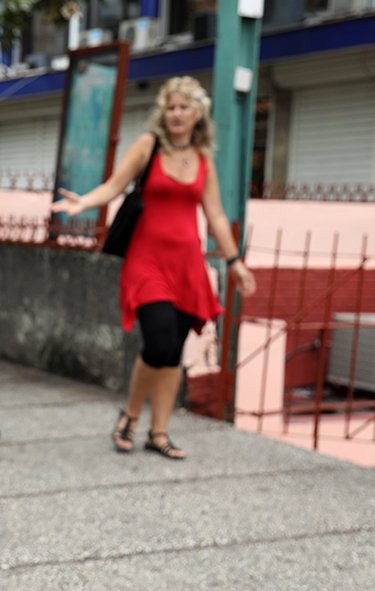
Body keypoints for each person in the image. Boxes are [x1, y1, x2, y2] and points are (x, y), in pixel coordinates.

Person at [51, 76, 257, 460]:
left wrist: (235, 262)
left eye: (184, 107)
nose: (176, 113)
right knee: (159, 342)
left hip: (188, 265)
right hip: (147, 263)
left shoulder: (203, 158)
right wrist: (84, 203)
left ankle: (158, 432)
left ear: (198, 114)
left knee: (173, 351)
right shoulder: (149, 146)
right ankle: (130, 414)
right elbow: (114, 186)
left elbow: (214, 214)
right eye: (171, 106)